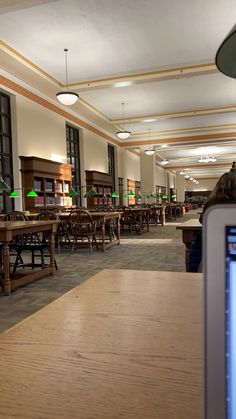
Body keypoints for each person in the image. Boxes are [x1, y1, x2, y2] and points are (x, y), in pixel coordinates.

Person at [189, 167, 236, 272]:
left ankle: (192, 274)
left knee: (195, 249)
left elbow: (202, 221)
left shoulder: (212, 201)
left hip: (213, 238)